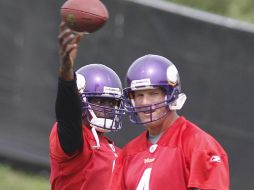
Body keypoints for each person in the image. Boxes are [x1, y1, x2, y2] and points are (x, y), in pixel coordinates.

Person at [110, 54, 230, 190]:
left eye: (153, 94)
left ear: (171, 95)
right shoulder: (128, 154)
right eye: (139, 95)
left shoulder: (198, 145)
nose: (145, 102)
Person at [49, 22, 125, 190]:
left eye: (112, 103)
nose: (108, 108)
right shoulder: (75, 141)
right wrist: (67, 74)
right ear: (81, 100)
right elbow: (68, 114)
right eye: (100, 101)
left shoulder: (117, 152)